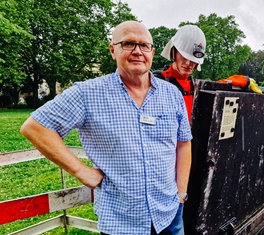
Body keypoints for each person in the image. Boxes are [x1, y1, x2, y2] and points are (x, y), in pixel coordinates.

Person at [20, 20, 192, 235]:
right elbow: (35, 127)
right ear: (113, 50)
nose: (138, 51)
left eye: (144, 45)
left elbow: (184, 143)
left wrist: (181, 194)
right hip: (121, 221)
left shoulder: (171, 94)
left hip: (169, 213)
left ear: (152, 52)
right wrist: (82, 172)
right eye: (128, 44)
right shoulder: (87, 94)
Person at [155, 24, 206, 121]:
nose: (188, 63)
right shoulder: (157, 81)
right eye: (184, 56)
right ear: (174, 51)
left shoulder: (195, 87)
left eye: (192, 59)